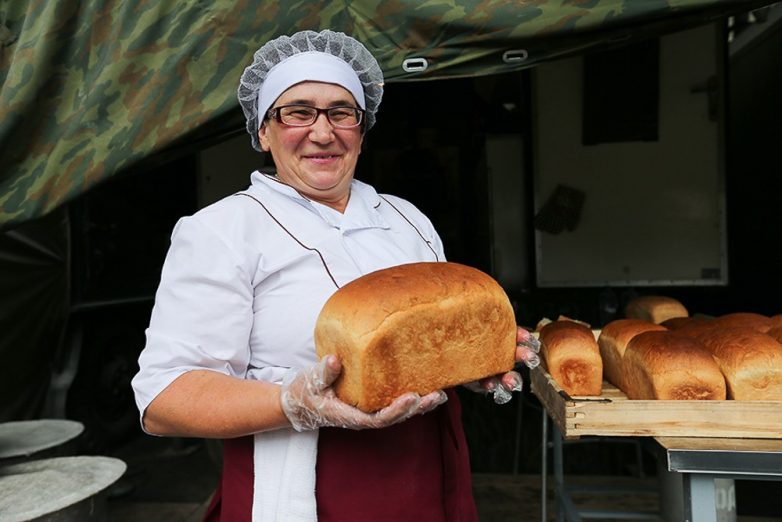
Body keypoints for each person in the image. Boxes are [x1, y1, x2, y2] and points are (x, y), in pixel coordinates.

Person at [131, 29, 541, 522]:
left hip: (428, 477)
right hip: (305, 489)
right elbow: (163, 401)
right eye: (298, 112)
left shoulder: (407, 218)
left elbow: (425, 342)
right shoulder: (221, 231)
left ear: (361, 131)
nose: (322, 133)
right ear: (263, 131)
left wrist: (471, 363)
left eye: (341, 113)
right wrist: (294, 403)